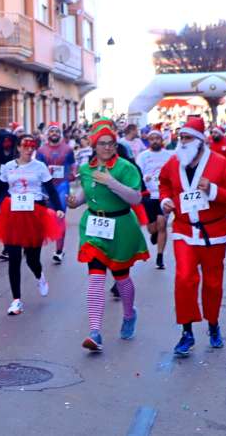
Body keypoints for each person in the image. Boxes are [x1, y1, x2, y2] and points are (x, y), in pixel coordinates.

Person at [159, 115, 226, 356]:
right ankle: (187, 332)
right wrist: (165, 200)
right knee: (184, 279)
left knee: (213, 283)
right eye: (180, 138)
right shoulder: (174, 163)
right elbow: (164, 183)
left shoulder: (220, 163)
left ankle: (213, 324)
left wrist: (214, 190)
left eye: (187, 138)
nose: (182, 142)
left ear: (199, 140)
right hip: (184, 230)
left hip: (213, 232)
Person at [68, 119, 149, 351]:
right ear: (94, 145)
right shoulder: (86, 169)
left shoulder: (126, 168)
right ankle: (95, 332)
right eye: (102, 143)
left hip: (121, 226)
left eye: (111, 143)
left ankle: (129, 314)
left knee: (122, 277)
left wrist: (112, 182)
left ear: (116, 145)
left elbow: (136, 198)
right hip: (94, 225)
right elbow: (86, 194)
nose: (106, 147)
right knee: (95, 277)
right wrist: (75, 202)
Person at [0, 135, 64, 315]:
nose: (29, 149)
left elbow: (50, 189)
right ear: (18, 148)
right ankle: (16, 300)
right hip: (13, 213)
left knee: (32, 258)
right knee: (14, 257)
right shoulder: (9, 167)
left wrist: (58, 208)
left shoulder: (40, 167)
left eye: (32, 145)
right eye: (25, 145)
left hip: (35, 212)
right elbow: (0, 189)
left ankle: (39, 275)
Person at [37, 123, 76, 264]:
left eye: (56, 131)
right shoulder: (41, 150)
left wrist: (73, 173)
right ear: (48, 134)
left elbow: (73, 165)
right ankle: (34, 248)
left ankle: (59, 251)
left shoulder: (68, 149)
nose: (54, 133)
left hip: (62, 185)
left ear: (60, 134)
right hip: (46, 187)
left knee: (60, 216)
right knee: (44, 218)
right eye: (51, 131)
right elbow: (37, 168)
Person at [136, 129, 174, 270]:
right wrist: (142, 181)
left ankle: (160, 257)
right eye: (152, 139)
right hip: (148, 195)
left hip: (164, 195)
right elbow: (137, 174)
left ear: (161, 140)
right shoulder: (143, 156)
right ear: (148, 141)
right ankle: (155, 233)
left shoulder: (169, 155)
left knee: (162, 223)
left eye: (157, 138)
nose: (155, 141)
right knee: (152, 228)